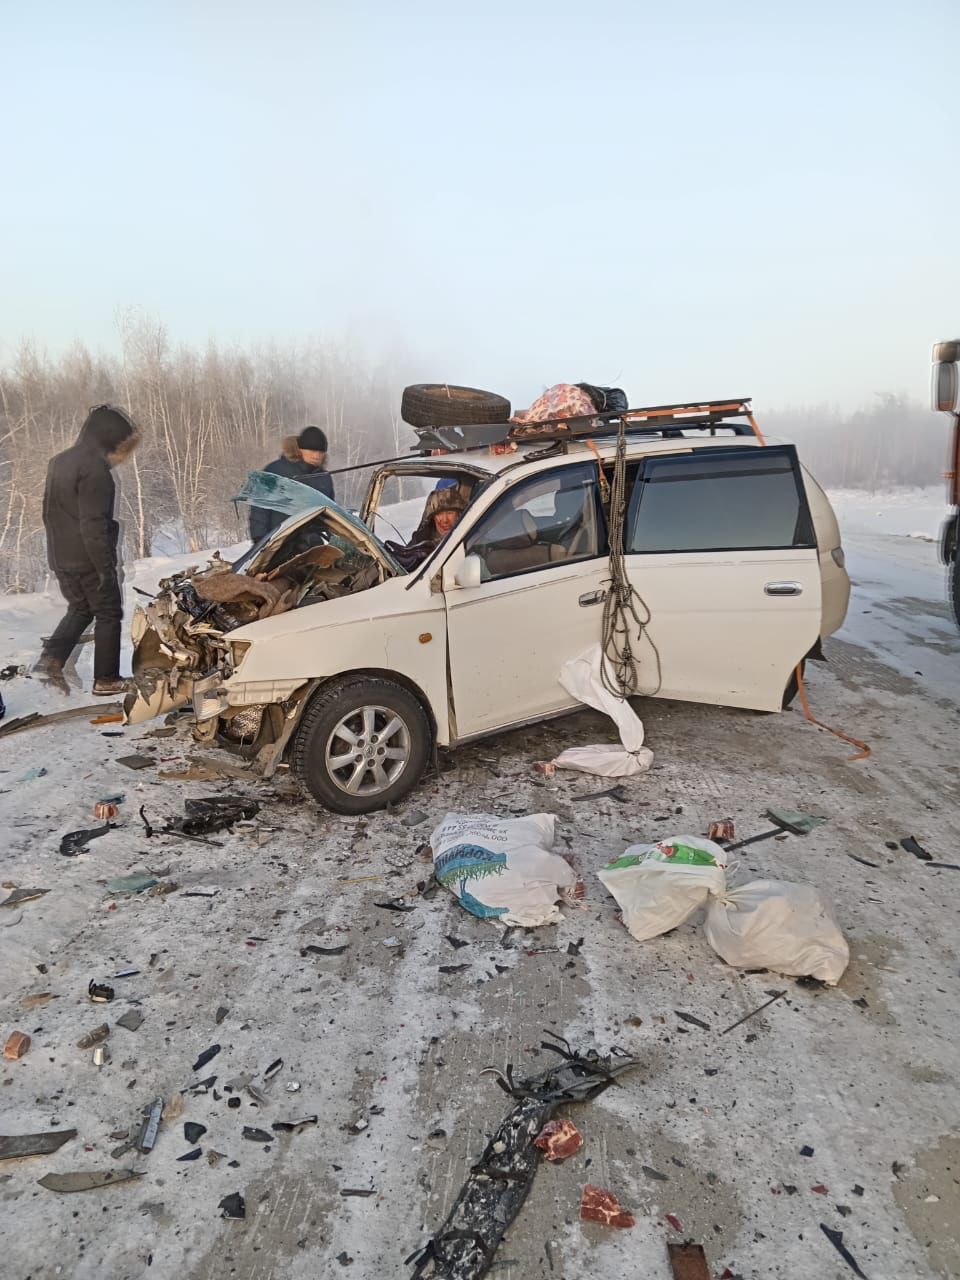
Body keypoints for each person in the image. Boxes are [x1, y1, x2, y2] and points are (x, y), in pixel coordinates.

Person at [34, 404, 139, 696]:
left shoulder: (60, 462)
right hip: (89, 558)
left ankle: (52, 658)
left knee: (80, 608)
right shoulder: (97, 471)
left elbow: (49, 513)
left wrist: (57, 556)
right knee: (108, 613)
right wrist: (106, 567)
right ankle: (106, 679)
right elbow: (93, 524)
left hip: (61, 555)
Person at [249, 426, 334, 543]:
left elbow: (329, 514)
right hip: (276, 542)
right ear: (300, 449)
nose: (317, 456)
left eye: (320, 452)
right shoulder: (275, 470)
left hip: (313, 546)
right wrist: (259, 538)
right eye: (312, 451)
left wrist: (327, 536)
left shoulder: (324, 478)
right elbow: (259, 508)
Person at [385, 487, 467, 571]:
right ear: (432, 517)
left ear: (458, 514)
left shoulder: (468, 537)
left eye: (450, 513)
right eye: (439, 514)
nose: (445, 520)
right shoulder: (419, 540)